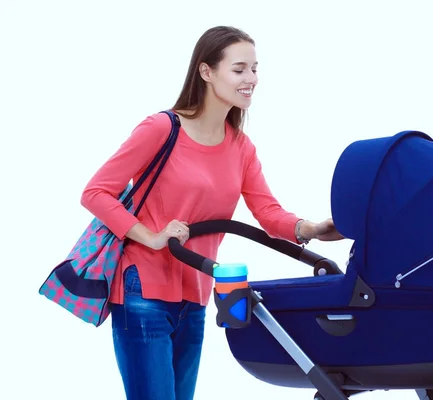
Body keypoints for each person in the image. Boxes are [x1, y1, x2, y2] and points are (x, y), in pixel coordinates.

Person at [80, 25, 344, 400]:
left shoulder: (240, 147)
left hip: (199, 291)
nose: (251, 79)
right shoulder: (162, 128)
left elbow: (266, 212)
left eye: (255, 69)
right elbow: (96, 192)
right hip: (143, 290)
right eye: (239, 70)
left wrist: (311, 228)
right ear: (206, 72)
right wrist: (150, 236)